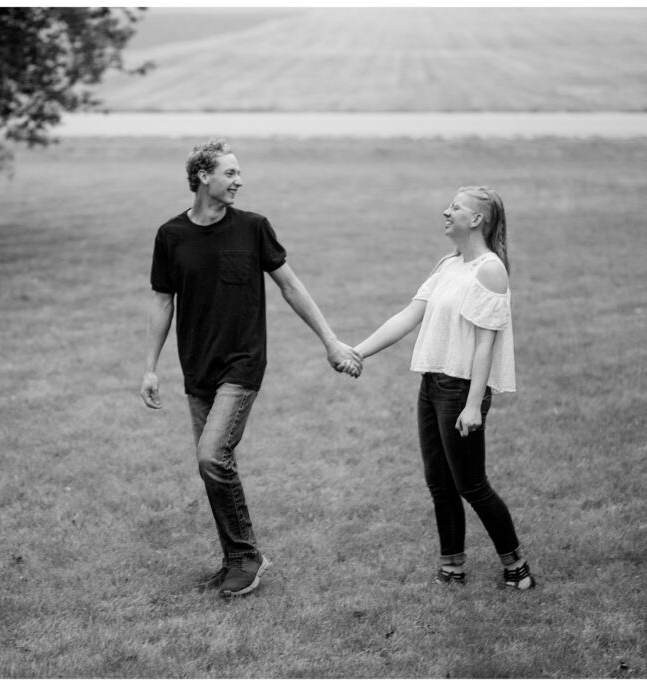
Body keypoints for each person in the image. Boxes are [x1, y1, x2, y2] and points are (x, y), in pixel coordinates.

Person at [140, 138, 361, 598]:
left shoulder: (253, 228)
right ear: (203, 177)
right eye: (230, 173)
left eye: (239, 173)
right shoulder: (171, 236)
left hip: (242, 364)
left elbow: (291, 286)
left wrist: (330, 341)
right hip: (196, 367)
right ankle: (234, 560)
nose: (240, 180)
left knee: (210, 455)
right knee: (215, 465)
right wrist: (150, 368)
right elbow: (163, 301)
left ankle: (248, 558)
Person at [351, 186, 535, 590]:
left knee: (472, 484)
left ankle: (516, 566)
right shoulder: (448, 265)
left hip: (460, 390)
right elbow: (407, 316)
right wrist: (357, 352)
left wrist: (473, 406)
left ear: (477, 220)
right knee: (439, 482)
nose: (446, 211)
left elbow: (486, 342)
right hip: (432, 384)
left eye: (456, 207)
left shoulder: (489, 269)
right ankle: (452, 566)